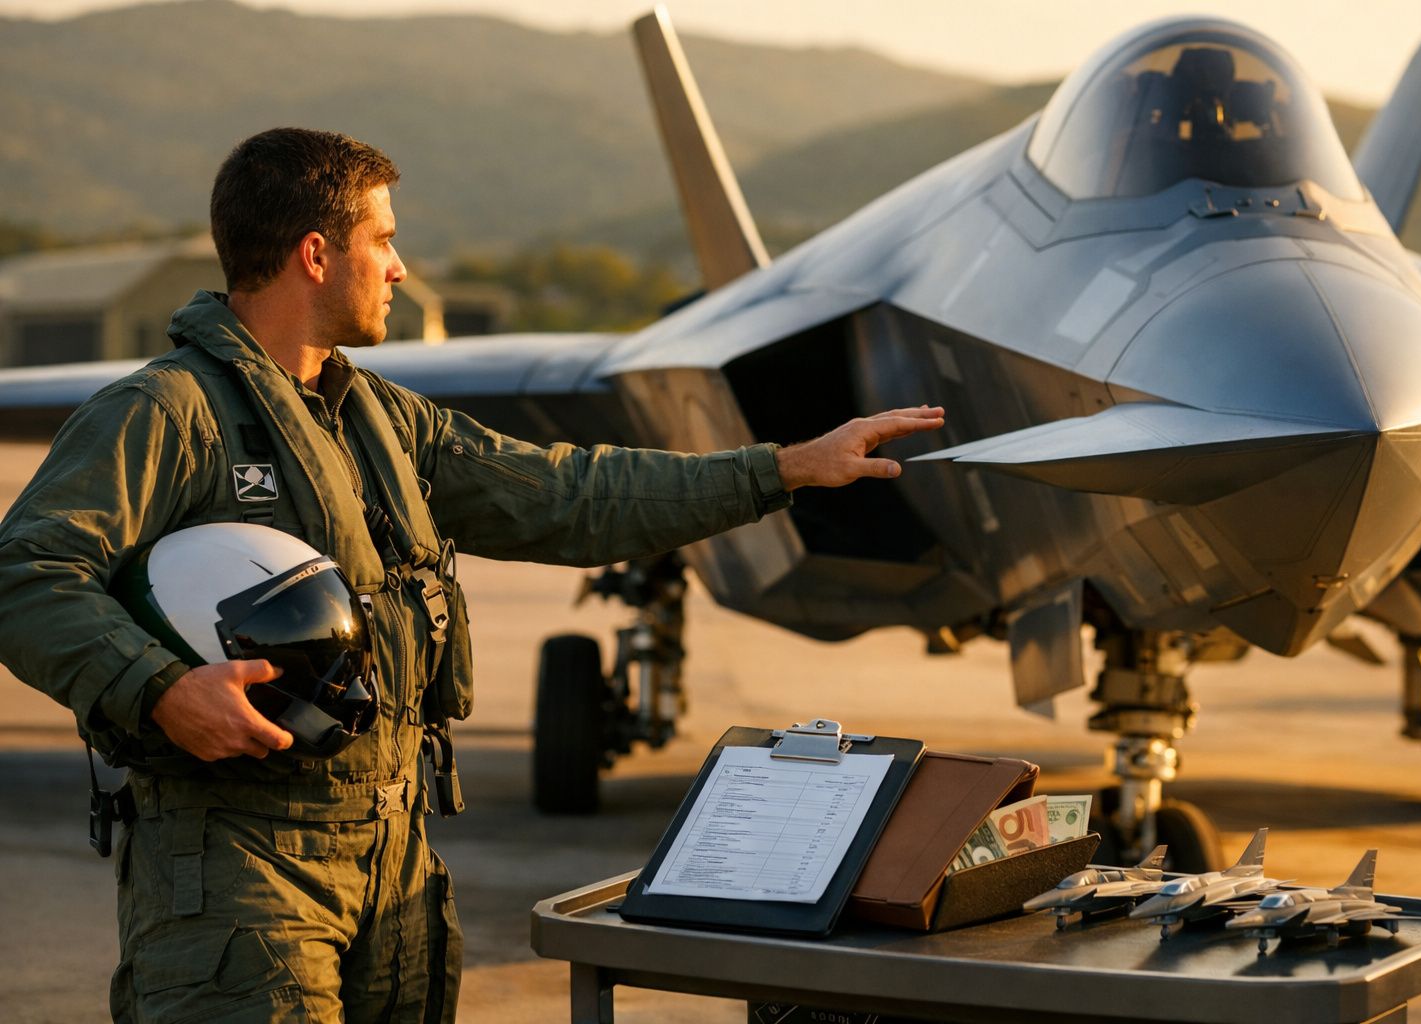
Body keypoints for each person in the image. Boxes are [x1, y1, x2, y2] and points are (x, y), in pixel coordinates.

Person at [0, 127, 943, 1022]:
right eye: (386, 241)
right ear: (317, 254)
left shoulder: (386, 423)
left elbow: (571, 495)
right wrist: (162, 690)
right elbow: (27, 572)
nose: (402, 269)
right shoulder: (167, 413)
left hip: (395, 862)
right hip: (242, 870)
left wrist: (781, 469)